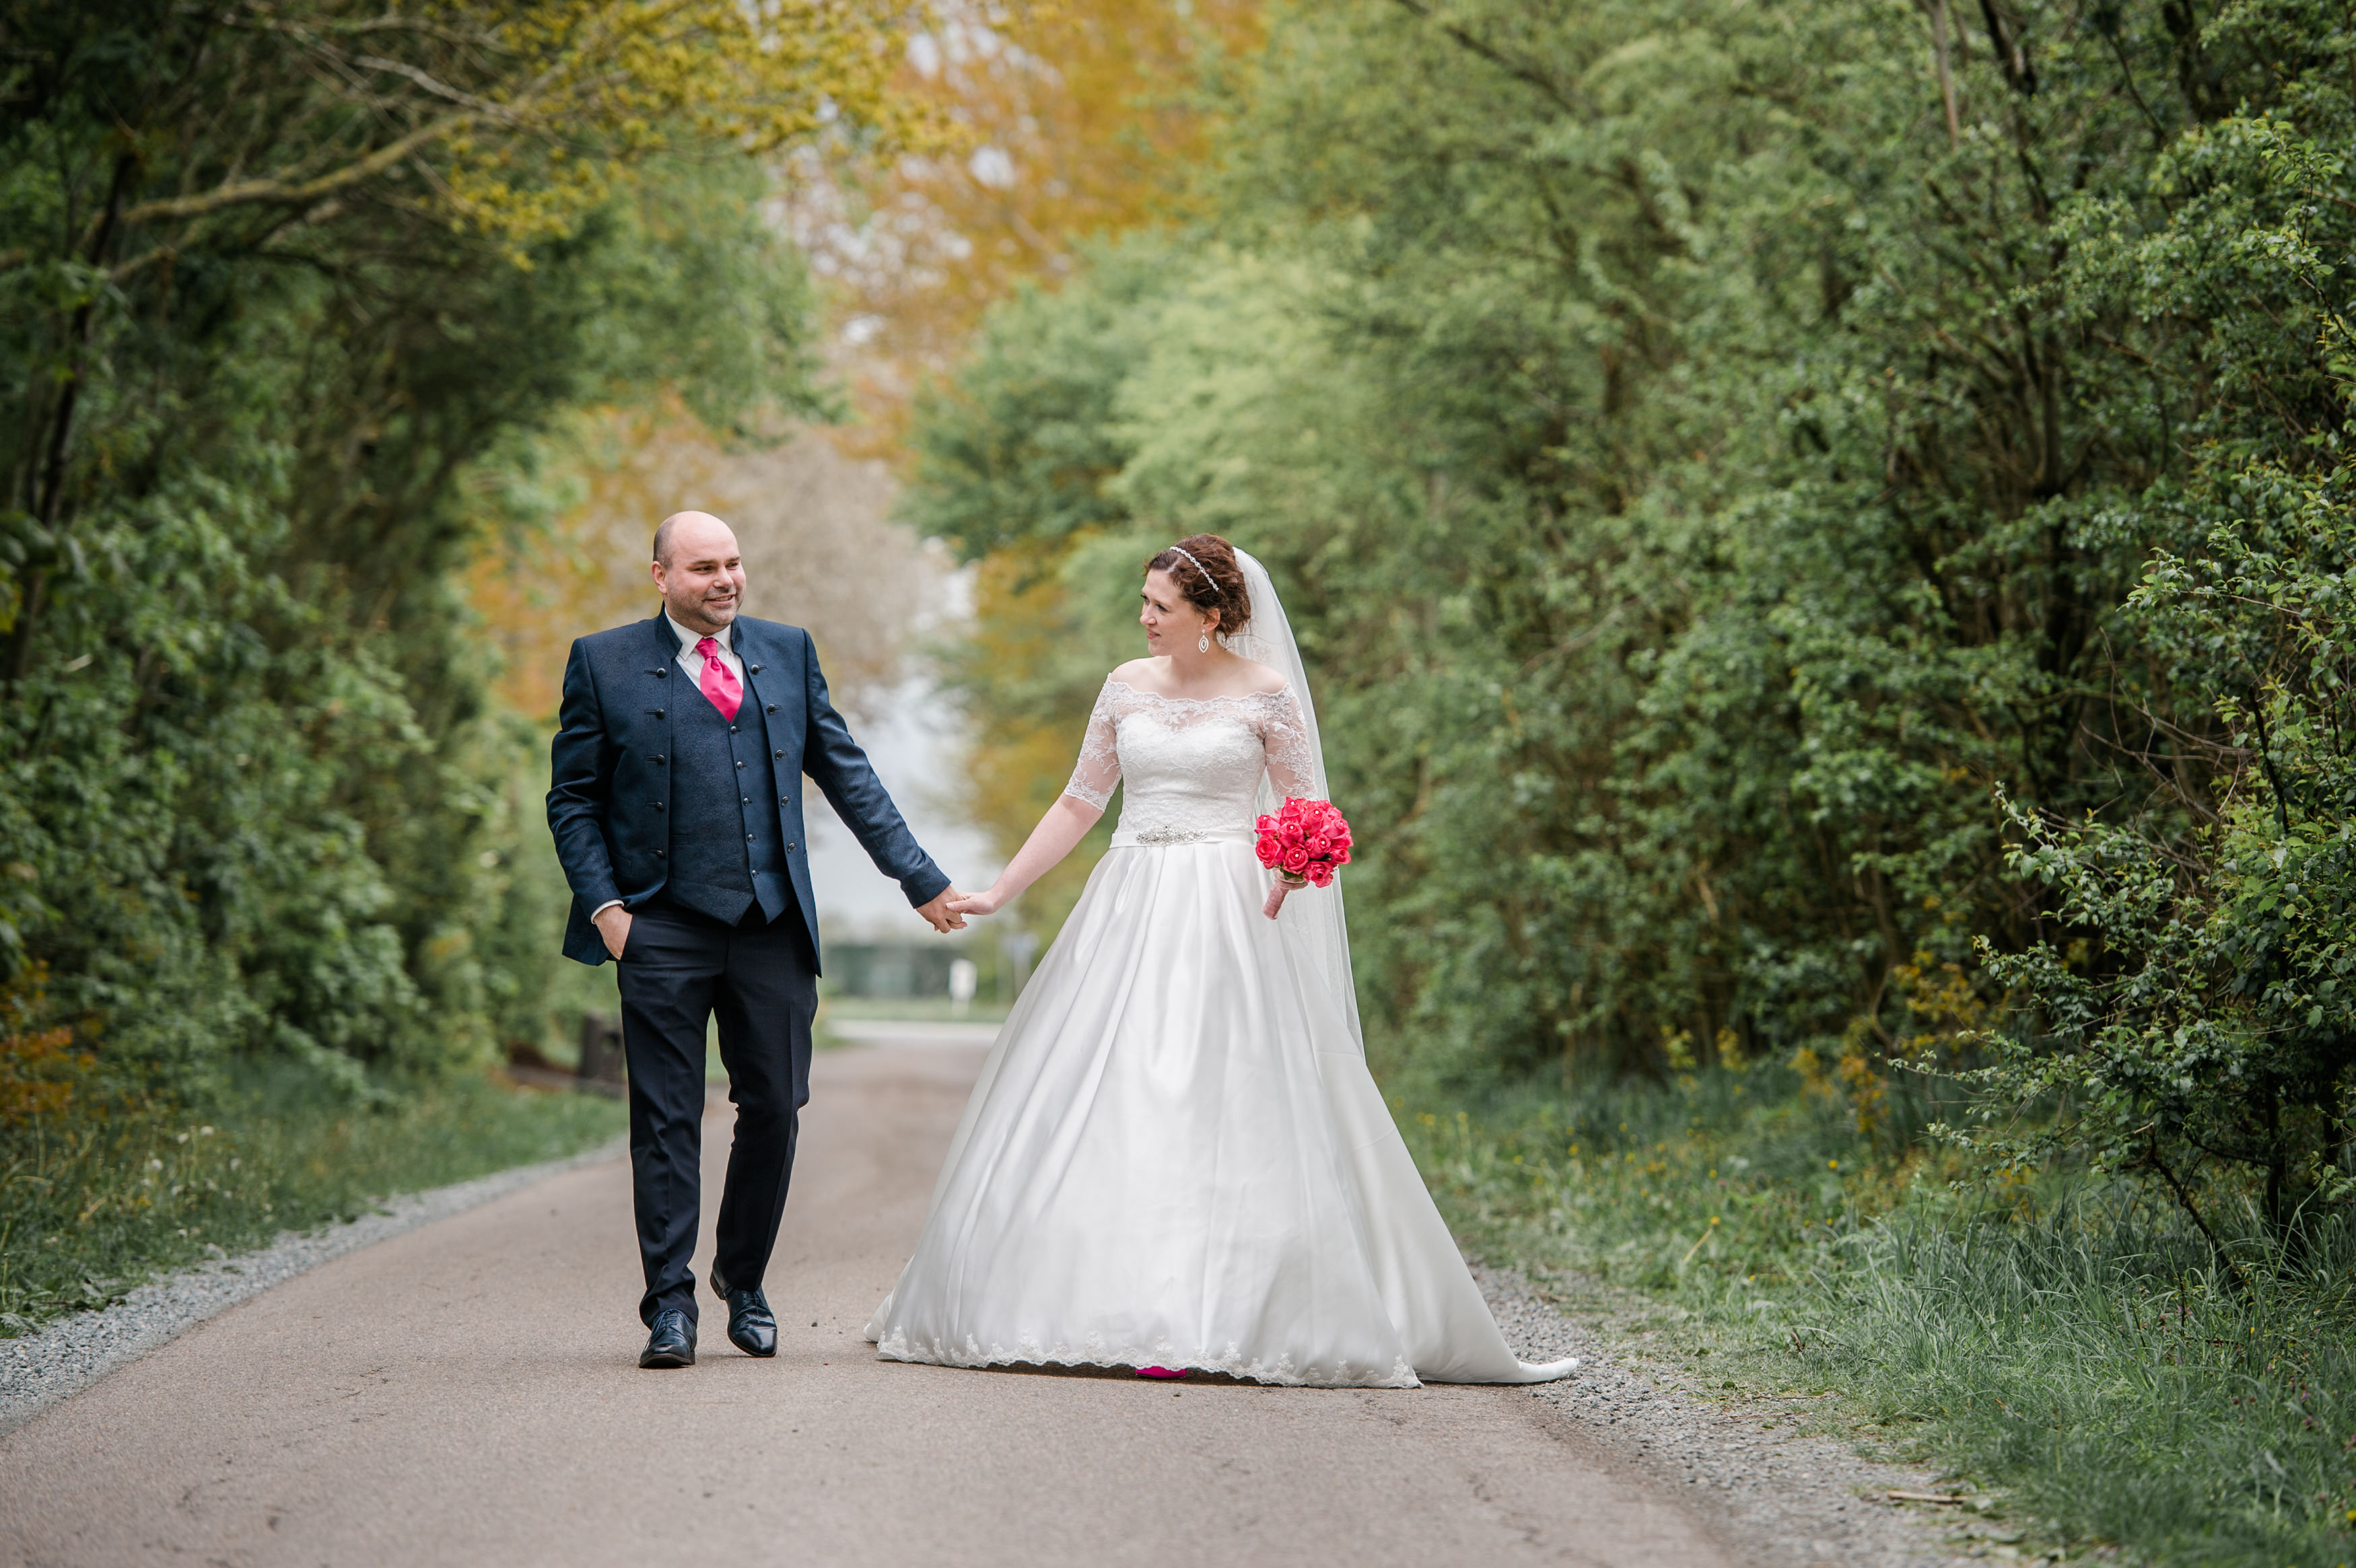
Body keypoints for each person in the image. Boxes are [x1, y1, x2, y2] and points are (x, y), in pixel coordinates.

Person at [864, 534, 1577, 1387]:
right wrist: (1002, 889)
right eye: (1143, 602)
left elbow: (1308, 806)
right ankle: (1091, 1301)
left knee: (1222, 1089)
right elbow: (1081, 798)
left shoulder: (1268, 695)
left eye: (1159, 606)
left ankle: (1225, 1309)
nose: (1143, 617)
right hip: (1129, 898)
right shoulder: (1125, 686)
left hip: (1228, 906)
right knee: (1111, 1085)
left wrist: (1286, 869)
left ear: (1210, 615)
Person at [549, 510, 967, 1370]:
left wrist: (917, 876)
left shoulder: (787, 649)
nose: (725, 579)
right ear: (660, 575)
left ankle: (741, 1278)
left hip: (770, 926)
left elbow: (846, 769)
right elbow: (573, 798)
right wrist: (606, 910)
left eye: (733, 562)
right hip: (657, 925)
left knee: (775, 1104)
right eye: (703, 566)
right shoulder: (604, 662)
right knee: (665, 1119)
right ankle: (668, 1304)